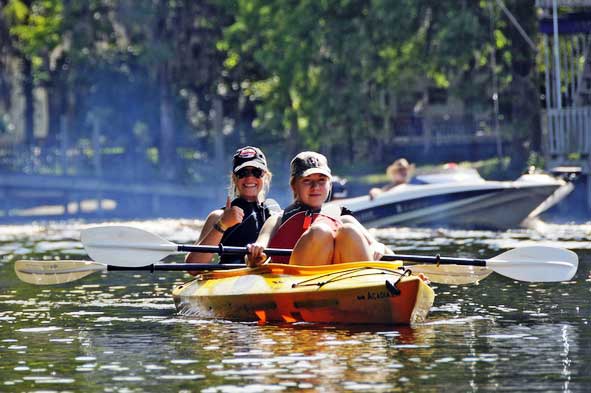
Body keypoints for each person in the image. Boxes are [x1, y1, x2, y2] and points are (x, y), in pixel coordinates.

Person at [245, 151, 391, 267]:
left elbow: (387, 252)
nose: (315, 187)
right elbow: (255, 252)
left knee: (349, 231)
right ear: (294, 185)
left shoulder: (344, 220)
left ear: (329, 185)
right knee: (320, 231)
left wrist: (378, 247)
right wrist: (255, 254)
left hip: (342, 284)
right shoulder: (277, 219)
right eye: (307, 181)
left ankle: (366, 292)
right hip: (291, 283)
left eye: (322, 181)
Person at [185, 146, 273, 270]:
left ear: (266, 176)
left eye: (256, 172)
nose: (249, 178)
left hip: (268, 278)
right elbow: (192, 268)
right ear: (234, 178)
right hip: (229, 278)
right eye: (243, 173)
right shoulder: (218, 216)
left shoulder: (274, 216)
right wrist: (222, 224)